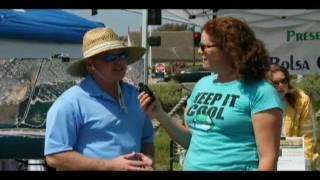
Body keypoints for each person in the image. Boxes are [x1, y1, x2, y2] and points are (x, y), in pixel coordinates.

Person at [139, 17, 283, 171]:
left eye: (204, 46)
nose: (199, 51)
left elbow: (268, 158)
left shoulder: (261, 91)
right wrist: (160, 114)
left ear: (229, 48)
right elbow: (192, 140)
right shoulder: (203, 84)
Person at [44, 27, 155, 171]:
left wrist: (149, 160)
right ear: (90, 65)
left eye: (122, 56)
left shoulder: (136, 96)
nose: (119, 62)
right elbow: (54, 156)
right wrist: (111, 166)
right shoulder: (69, 104)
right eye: (110, 57)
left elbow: (147, 140)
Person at [268, 64, 319, 170]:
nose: (281, 86)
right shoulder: (257, 102)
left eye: (284, 81)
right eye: (275, 83)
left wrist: (304, 164)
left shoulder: (302, 100)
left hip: (294, 160)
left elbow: (309, 139)